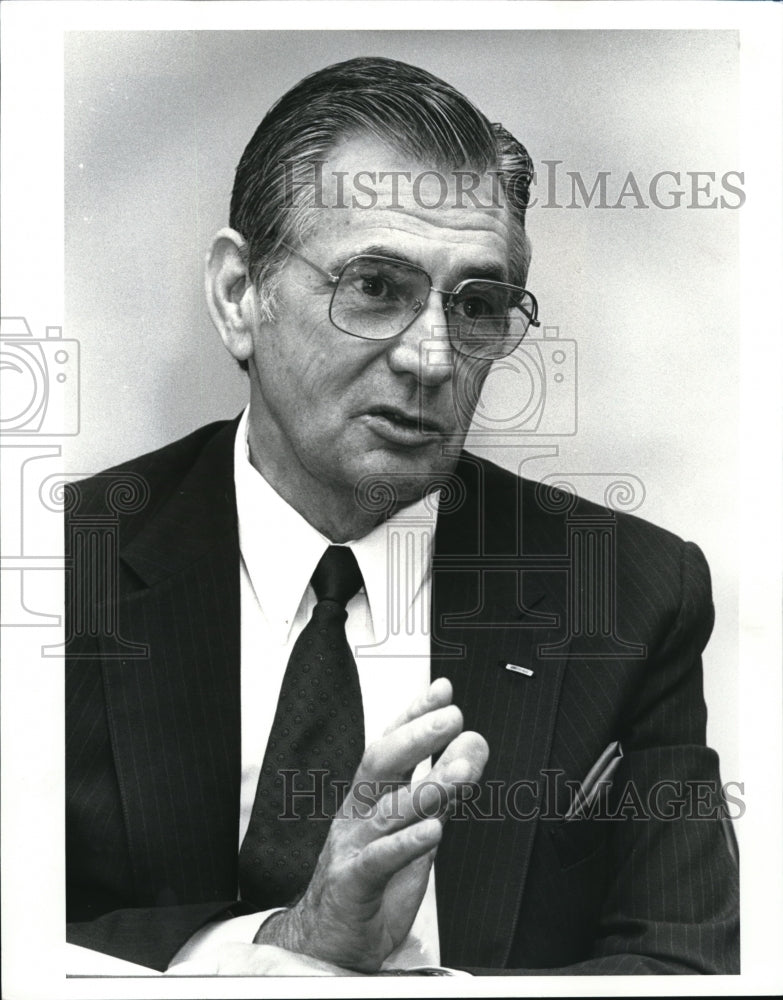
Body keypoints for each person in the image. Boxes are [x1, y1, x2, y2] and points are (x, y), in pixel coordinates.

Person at [65, 56, 739, 976]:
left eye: (476, 304)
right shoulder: (65, 567)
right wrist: (264, 957)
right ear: (238, 295)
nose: (430, 358)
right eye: (375, 287)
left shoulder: (630, 593)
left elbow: (683, 965)